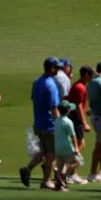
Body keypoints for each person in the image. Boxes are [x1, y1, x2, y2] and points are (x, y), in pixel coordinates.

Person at [20, 56, 60, 189]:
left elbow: (34, 99)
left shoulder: (37, 82)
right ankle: (47, 181)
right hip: (49, 125)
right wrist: (60, 124)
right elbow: (54, 108)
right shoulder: (51, 85)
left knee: (43, 151)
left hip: (38, 123)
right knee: (51, 154)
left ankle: (27, 169)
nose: (58, 69)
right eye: (57, 67)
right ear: (52, 68)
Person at [53, 99, 81, 191]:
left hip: (57, 147)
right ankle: (62, 176)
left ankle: (59, 185)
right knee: (76, 162)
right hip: (67, 147)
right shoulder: (68, 122)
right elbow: (73, 136)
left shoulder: (56, 121)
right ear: (68, 111)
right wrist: (76, 148)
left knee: (61, 165)